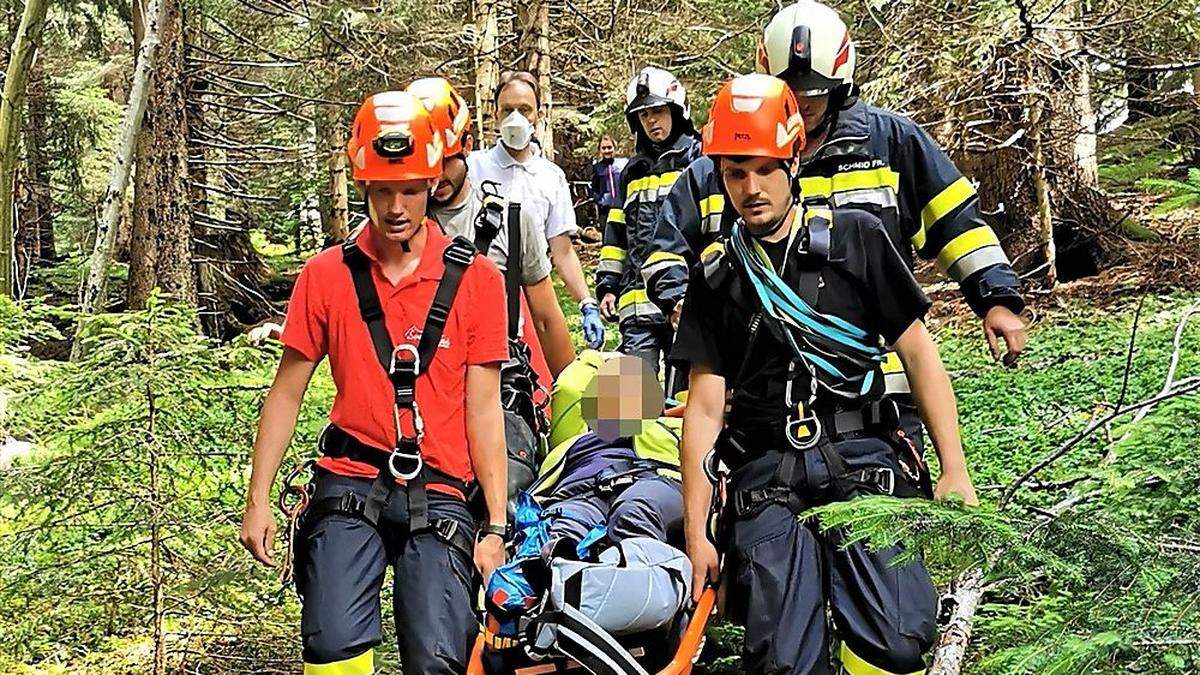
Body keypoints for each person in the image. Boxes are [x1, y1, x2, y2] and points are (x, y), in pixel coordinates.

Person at [673, 74, 978, 674]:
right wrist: (696, 533)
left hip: (862, 453)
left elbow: (919, 354)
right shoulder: (716, 279)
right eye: (736, 174)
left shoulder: (856, 240)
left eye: (764, 170)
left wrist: (954, 469)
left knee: (899, 642)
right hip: (766, 470)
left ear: (791, 160)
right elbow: (705, 410)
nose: (751, 189)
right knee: (785, 663)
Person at [644, 0, 1027, 450]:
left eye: (815, 92)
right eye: (791, 90)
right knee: (745, 498)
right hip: (759, 395)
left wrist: (996, 298)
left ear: (840, 83)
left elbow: (957, 224)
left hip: (877, 390)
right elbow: (659, 252)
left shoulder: (891, 143)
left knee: (887, 506)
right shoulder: (715, 165)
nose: (803, 103)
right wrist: (678, 306)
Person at [238, 91, 509, 674]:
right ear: (363, 185)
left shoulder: (478, 281)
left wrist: (495, 524)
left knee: (438, 654)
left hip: (440, 489)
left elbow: (484, 409)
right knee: (332, 643)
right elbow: (287, 391)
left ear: (433, 184)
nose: (395, 206)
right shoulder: (326, 276)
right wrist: (257, 499)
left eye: (410, 188)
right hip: (350, 478)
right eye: (383, 189)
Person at [410, 76, 576, 378]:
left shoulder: (512, 219)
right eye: (425, 162)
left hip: (498, 383)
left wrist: (574, 398)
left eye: (445, 160)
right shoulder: (398, 229)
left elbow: (546, 320)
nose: (436, 176)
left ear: (467, 146)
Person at [468, 70, 606, 350]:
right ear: (495, 114)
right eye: (507, 109)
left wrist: (586, 302)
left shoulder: (550, 176)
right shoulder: (473, 168)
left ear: (538, 115)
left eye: (524, 109)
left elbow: (562, 250)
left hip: (533, 300)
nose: (515, 118)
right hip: (477, 296)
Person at [595, 67, 700, 393]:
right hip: (637, 306)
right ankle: (613, 446)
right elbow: (615, 235)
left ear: (676, 110)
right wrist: (608, 286)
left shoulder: (699, 161)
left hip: (687, 305)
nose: (652, 121)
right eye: (643, 115)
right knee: (620, 412)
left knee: (683, 405)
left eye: (658, 111)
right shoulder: (631, 171)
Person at [529, 353, 684, 547]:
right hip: (580, 494)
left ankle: (637, 568)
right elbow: (569, 387)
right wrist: (598, 357)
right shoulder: (576, 436)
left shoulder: (673, 428)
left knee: (634, 514)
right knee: (562, 533)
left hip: (653, 481)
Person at [589, 135, 627, 226]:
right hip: (605, 211)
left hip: (624, 209)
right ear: (600, 150)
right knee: (608, 239)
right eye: (604, 148)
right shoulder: (597, 168)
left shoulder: (623, 164)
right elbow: (594, 188)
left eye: (609, 147)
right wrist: (601, 201)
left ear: (614, 148)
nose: (607, 151)